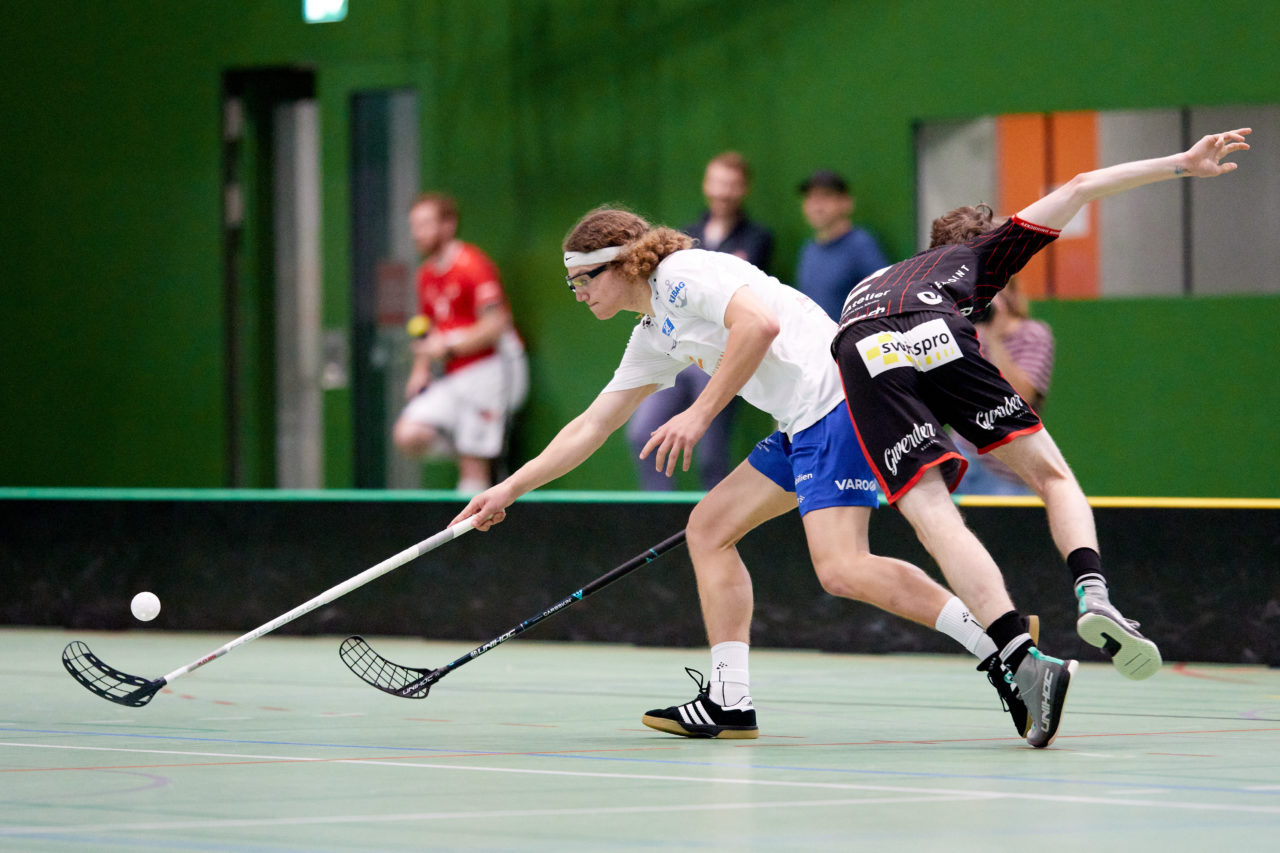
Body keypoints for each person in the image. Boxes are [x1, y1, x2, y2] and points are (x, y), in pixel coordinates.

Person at [452, 205, 1042, 746]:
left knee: (840, 568)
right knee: (708, 529)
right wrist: (508, 490)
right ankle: (730, 701)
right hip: (801, 422)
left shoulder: (684, 273)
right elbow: (591, 427)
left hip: (840, 403)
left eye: (583, 278)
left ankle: (1001, 645)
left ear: (621, 264)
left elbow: (758, 325)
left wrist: (698, 413)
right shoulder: (653, 332)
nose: (579, 293)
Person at [832, 127, 1252, 747]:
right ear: (983, 238)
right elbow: (1080, 186)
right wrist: (1182, 164)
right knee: (1053, 477)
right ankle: (1094, 594)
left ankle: (1020, 658)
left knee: (935, 520)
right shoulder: (978, 257)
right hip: (936, 330)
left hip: (858, 349)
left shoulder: (868, 281)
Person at [625, 152, 773, 490]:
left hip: (722, 355)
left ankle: (717, 529)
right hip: (678, 354)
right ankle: (662, 519)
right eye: (718, 182)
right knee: (642, 434)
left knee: (712, 454)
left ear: (744, 189)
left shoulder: (757, 238)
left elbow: (741, 300)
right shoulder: (685, 236)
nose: (723, 192)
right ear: (707, 185)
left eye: (732, 185)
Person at [392, 192, 529, 492]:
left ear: (449, 225)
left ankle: (479, 456)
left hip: (490, 372)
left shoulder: (472, 264)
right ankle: (474, 444)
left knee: (473, 474)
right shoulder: (425, 275)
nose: (418, 233)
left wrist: (451, 347)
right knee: (408, 434)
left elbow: (497, 323)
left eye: (425, 224)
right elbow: (427, 330)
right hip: (454, 378)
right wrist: (420, 369)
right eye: (414, 225)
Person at [955, 278, 1054, 496]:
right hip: (965, 457)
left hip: (1006, 474)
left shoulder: (1033, 334)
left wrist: (995, 339)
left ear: (1010, 296)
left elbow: (1020, 398)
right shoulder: (971, 335)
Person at [795, 169, 890, 321]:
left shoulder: (862, 245)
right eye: (811, 197)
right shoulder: (808, 250)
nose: (817, 205)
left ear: (846, 203)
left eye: (826, 196)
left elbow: (885, 298)